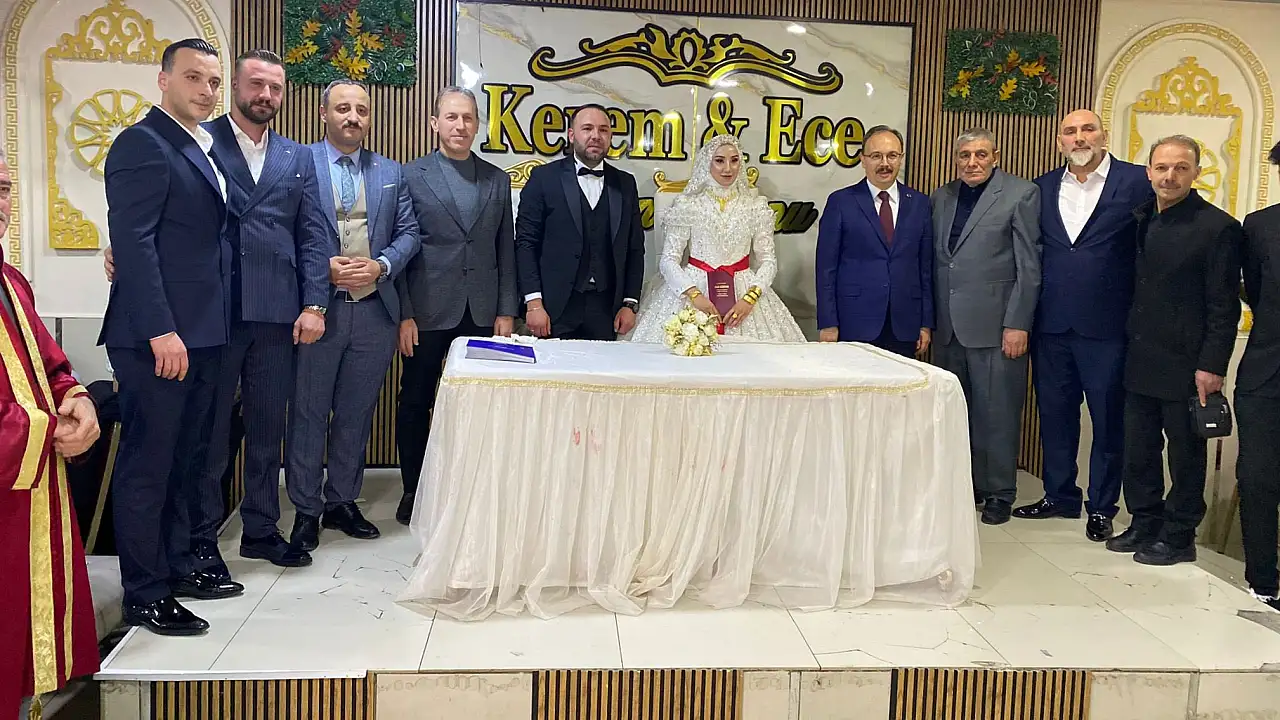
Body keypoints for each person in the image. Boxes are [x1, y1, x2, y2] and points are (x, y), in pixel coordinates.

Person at [104, 49, 328, 571]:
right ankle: (201, 540)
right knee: (207, 437)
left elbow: (314, 234)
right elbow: (155, 222)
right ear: (237, 88)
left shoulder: (297, 157)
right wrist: (117, 249)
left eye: (275, 87)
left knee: (267, 430)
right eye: (255, 84)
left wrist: (314, 301)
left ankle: (261, 528)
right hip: (213, 315)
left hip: (276, 312)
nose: (265, 95)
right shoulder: (200, 141)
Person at [100, 38, 243, 636]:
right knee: (149, 466)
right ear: (163, 80)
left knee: (188, 461)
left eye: (213, 81)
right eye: (193, 78)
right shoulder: (142, 143)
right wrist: (161, 328)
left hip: (204, 331)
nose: (206, 91)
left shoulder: (202, 145)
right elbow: (133, 242)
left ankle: (180, 565)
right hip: (158, 337)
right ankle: (144, 592)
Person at [286, 79, 420, 550]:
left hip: (374, 313)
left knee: (356, 413)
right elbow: (280, 231)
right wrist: (320, 267)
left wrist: (381, 265)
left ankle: (341, 501)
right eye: (343, 108)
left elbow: (409, 233)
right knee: (308, 412)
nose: (353, 117)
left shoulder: (390, 171)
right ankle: (306, 508)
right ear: (324, 113)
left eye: (361, 110)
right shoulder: (299, 163)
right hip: (318, 311)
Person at [1015, 110, 1153, 542]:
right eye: (1070, 131)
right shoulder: (1041, 187)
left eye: (1087, 129)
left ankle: (1102, 506)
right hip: (1052, 324)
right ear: (1059, 141)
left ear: (1103, 136)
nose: (1079, 137)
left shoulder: (1137, 181)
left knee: (1108, 420)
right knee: (1055, 416)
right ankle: (1059, 495)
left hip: (1109, 326)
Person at [1106, 135, 1241, 566]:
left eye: (1180, 168)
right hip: (1140, 356)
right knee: (1139, 450)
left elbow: (1224, 306)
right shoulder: (1142, 217)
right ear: (1148, 172)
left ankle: (1180, 535)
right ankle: (1145, 521)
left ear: (1196, 173)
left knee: (1185, 456)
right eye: (1162, 167)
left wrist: (1212, 366)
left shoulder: (1218, 228)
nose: (1170, 176)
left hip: (1188, 365)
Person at [0, 157, 101, 718]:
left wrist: (77, 400)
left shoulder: (11, 282)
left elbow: (50, 364)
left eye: (3, 189)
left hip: (32, 485)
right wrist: (44, 432)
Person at [394, 86, 518, 525]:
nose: (460, 125)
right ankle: (414, 490)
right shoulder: (411, 175)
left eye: (467, 118)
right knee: (415, 400)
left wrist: (506, 310)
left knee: (479, 404)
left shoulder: (497, 179)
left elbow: (506, 248)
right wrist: (404, 314)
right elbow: (401, 247)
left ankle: (470, 489)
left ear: (477, 124)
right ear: (435, 123)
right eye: (451, 117)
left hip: (482, 311)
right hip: (427, 310)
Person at [931, 128, 1041, 525]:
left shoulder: (1020, 194)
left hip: (997, 327)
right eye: (964, 155)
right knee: (955, 414)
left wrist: (1018, 323)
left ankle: (999, 492)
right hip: (948, 328)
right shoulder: (941, 197)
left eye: (980, 154)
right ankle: (967, 486)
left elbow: (1029, 265)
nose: (972, 162)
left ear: (995, 156)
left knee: (997, 413)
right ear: (955, 159)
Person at [630, 134, 805, 342]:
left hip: (744, 291)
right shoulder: (689, 205)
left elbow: (768, 260)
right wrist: (695, 296)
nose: (728, 169)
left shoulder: (755, 207)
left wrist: (750, 298)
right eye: (719, 161)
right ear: (707, 163)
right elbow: (668, 260)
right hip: (695, 288)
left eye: (734, 160)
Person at [516, 104, 644, 340]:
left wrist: (630, 303)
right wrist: (533, 303)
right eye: (587, 128)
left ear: (610, 137)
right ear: (572, 135)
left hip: (606, 309)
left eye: (603, 130)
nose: (596, 135)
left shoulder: (626, 183)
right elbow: (525, 244)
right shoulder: (544, 178)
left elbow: (635, 248)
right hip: (552, 308)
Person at [816, 125, 933, 356]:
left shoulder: (920, 203)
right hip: (854, 322)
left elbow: (925, 269)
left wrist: (925, 323)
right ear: (863, 159)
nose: (885, 163)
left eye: (892, 156)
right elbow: (826, 269)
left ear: (901, 158)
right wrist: (828, 323)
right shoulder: (841, 202)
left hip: (905, 324)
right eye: (876, 156)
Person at [1237, 140, 1280, 610]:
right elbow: (1255, 291)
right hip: (1267, 369)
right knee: (1259, 475)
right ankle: (1263, 577)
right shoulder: (1260, 226)